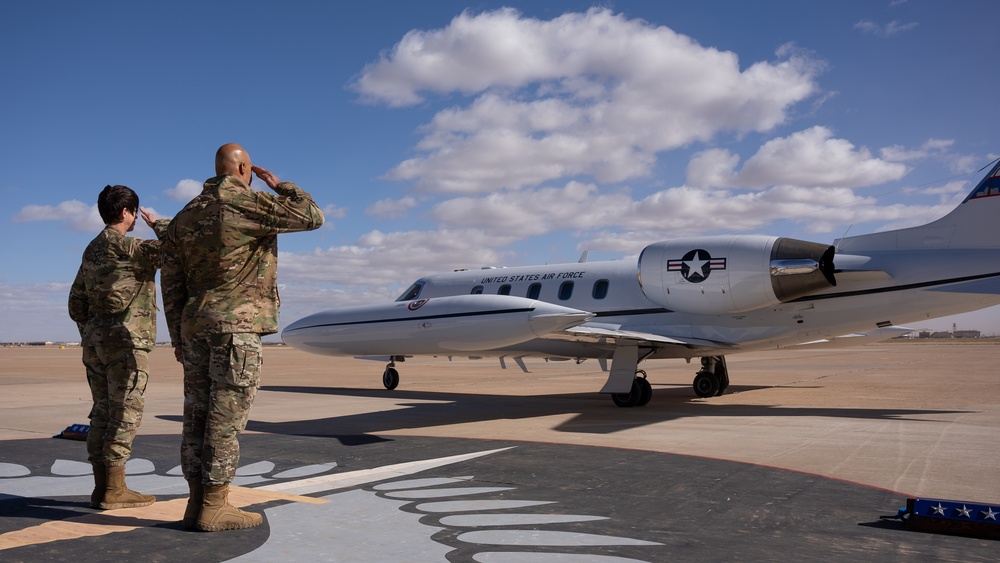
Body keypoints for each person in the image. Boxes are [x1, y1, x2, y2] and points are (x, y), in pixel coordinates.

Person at [161, 143, 324, 531]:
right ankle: (216, 505)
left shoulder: (184, 216)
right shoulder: (246, 202)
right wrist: (282, 185)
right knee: (225, 418)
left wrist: (177, 337)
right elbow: (312, 216)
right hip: (236, 327)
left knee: (197, 418)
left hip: (195, 326)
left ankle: (196, 503)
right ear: (245, 167)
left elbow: (170, 281)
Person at [68, 184, 169, 509]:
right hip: (126, 342)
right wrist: (159, 225)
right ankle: (115, 490)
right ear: (126, 212)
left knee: (102, 411)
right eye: (135, 212)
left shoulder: (92, 249)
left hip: (94, 341)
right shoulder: (132, 248)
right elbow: (180, 249)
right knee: (125, 412)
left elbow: (75, 303)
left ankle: (102, 487)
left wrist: (94, 329)